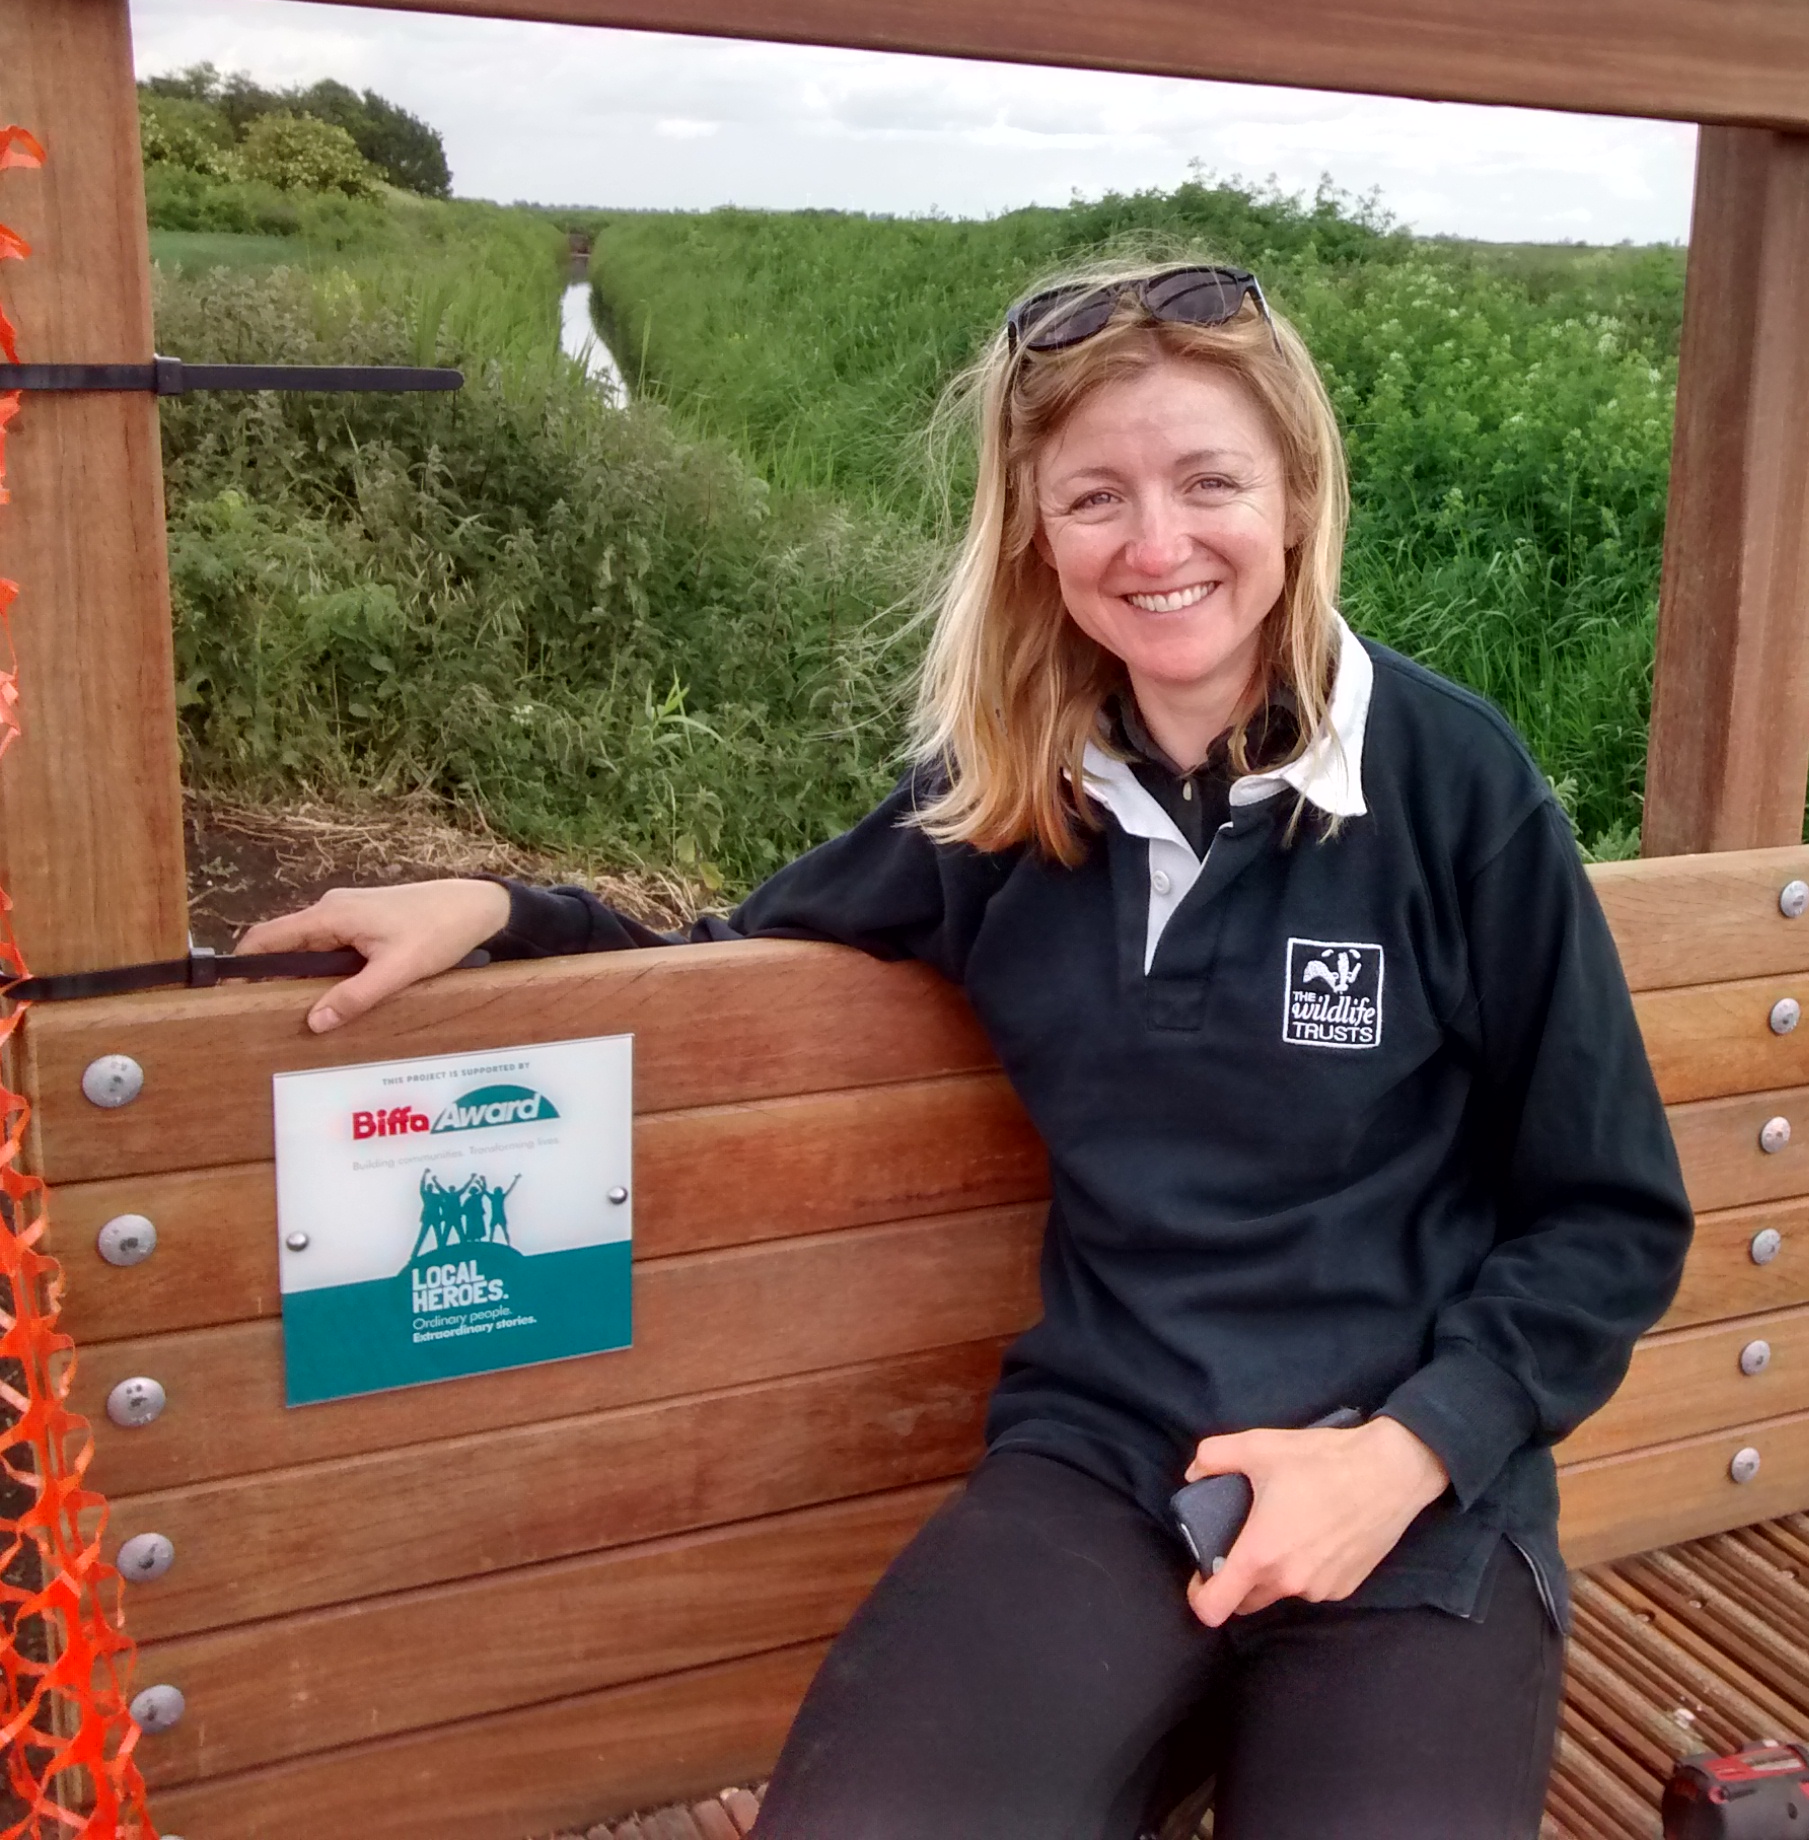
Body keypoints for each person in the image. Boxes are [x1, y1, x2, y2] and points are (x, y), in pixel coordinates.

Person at [243, 260, 1692, 1838]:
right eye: (1095, 498)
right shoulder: (1000, 798)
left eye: (1210, 481)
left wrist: (1410, 1456)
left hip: (1407, 1498)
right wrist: (498, 911)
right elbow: (730, 960)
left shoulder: (1454, 785)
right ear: (1033, 536)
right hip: (1110, 1464)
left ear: (1295, 495)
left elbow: (1608, 1215)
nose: (1156, 545)